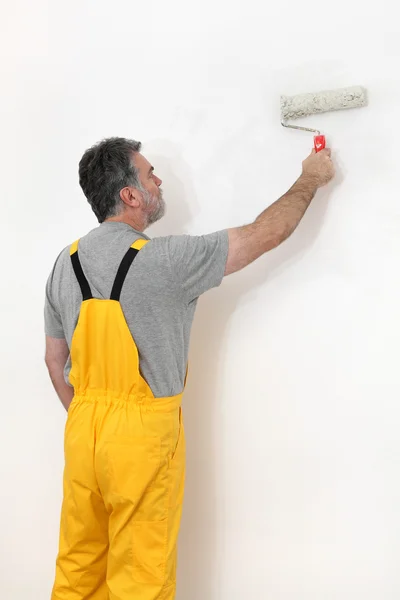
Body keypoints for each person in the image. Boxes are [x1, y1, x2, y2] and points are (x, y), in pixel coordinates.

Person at [44, 137, 334, 600]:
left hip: (83, 432)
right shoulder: (165, 260)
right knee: (141, 575)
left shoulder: (66, 262)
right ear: (130, 195)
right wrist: (310, 180)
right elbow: (263, 234)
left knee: (79, 564)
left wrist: (89, 420)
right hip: (140, 437)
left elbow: (55, 359)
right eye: (150, 173)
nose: (159, 180)